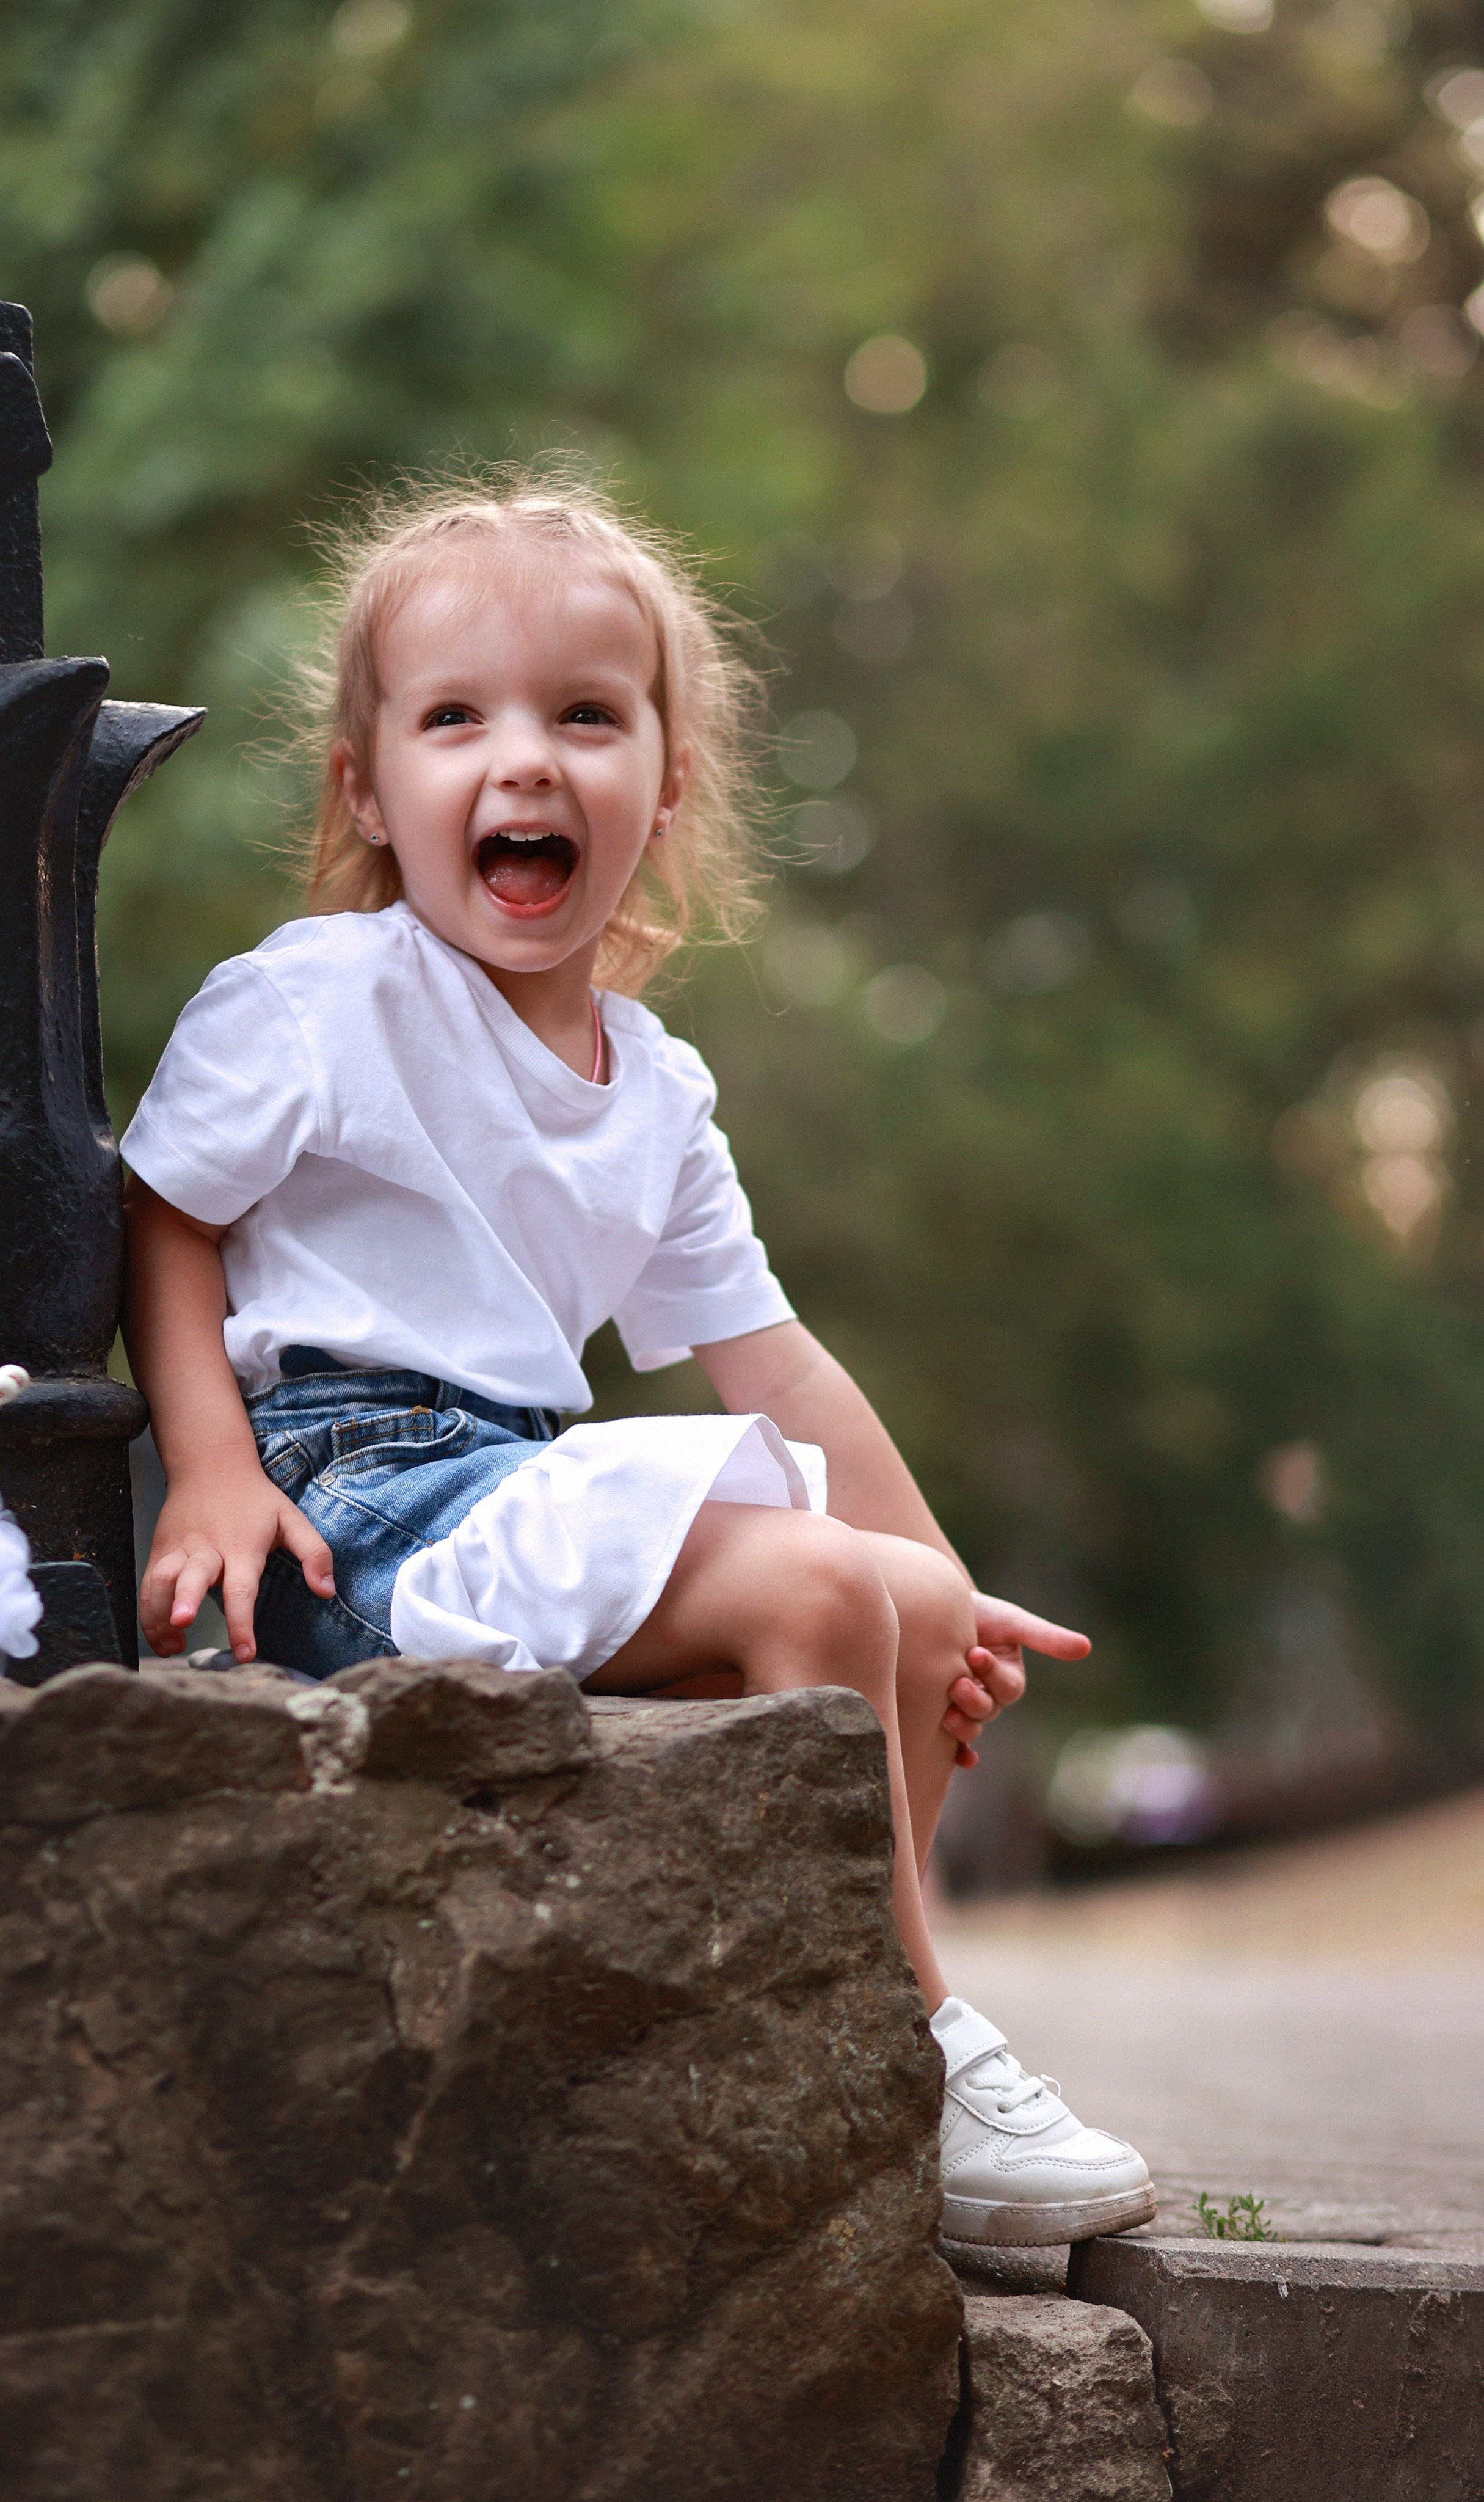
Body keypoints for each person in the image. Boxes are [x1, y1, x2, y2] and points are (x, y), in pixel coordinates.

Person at [122, 476, 1154, 2249]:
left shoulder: (654, 1086)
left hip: (507, 1481)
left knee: (887, 1596)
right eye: (456, 719)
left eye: (585, 716)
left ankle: (833, 2055)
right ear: (370, 789)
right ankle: (915, 2057)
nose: (523, 763)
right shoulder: (322, 998)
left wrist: (957, 1599)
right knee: (826, 1585)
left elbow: (779, 1364)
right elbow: (161, 1214)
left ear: (664, 781)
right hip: (354, 1515)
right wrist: (213, 1466)